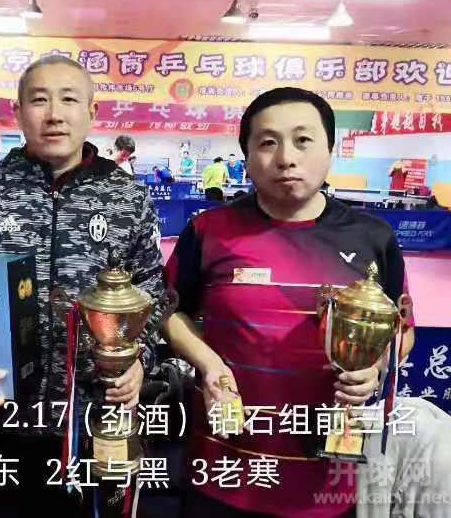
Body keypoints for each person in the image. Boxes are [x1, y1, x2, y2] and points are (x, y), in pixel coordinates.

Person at [0, 55, 165, 516]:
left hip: (90, 418)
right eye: (39, 100)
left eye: (69, 99)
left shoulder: (127, 198)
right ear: (17, 111)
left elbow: (151, 290)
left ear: (91, 111)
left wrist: (139, 360)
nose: (54, 115)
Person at [164, 87, 423, 517]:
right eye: (268, 142)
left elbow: (402, 328)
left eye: (303, 140)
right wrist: (209, 364)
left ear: (330, 150)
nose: (286, 157)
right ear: (247, 156)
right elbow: (171, 313)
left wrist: (376, 367)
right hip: (221, 471)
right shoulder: (209, 230)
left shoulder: (373, 238)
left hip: (324, 483)